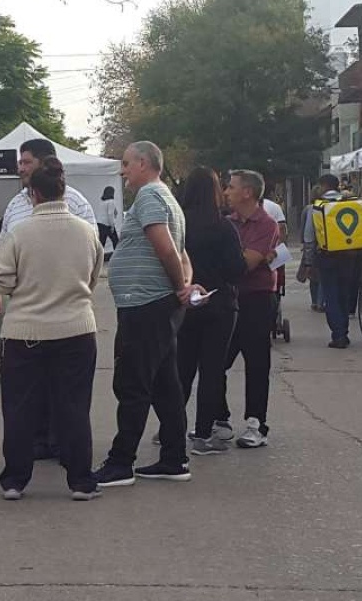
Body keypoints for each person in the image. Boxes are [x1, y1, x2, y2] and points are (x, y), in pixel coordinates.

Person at [0, 156, 104, 501]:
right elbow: (94, 275)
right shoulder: (86, 231)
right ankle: (81, 480)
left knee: (20, 407)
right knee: (73, 406)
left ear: (33, 194)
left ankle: (15, 480)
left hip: (25, 331)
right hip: (77, 328)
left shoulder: (20, 232)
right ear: (62, 191)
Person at [93, 141, 200, 487]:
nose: (122, 170)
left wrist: (179, 286)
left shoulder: (151, 197)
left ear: (143, 163)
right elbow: (183, 254)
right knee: (164, 384)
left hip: (145, 305)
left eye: (126, 163)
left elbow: (167, 248)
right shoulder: (167, 198)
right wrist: (184, 284)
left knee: (132, 383)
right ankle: (174, 457)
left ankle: (121, 462)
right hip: (153, 303)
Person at [176, 168, 246, 455]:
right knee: (212, 370)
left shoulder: (178, 225)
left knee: (182, 368)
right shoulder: (223, 227)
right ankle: (203, 435)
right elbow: (236, 270)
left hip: (185, 302)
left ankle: (171, 428)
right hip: (219, 304)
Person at [222, 170, 279, 448]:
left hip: (256, 298)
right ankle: (218, 418)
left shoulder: (266, 224)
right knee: (216, 361)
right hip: (229, 298)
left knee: (256, 363)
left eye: (231, 187)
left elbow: (245, 264)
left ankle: (256, 423)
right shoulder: (227, 222)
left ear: (247, 192)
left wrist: (225, 258)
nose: (226, 192)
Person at [305, 174, 362, 350]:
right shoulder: (351, 204)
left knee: (331, 295)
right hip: (349, 256)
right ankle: (344, 330)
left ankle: (339, 334)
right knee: (343, 293)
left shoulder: (317, 207)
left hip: (327, 256)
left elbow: (310, 238)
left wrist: (309, 263)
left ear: (323, 186)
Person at [0, 138, 96, 245]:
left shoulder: (76, 202)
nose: (20, 169)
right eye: (20, 163)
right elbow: (2, 247)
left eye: (26, 163)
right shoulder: (14, 204)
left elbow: (92, 249)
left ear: (45, 164)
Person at [299, 186, 325, 312]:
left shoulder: (307, 208)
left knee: (312, 276)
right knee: (321, 277)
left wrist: (303, 243)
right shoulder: (321, 208)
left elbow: (303, 227)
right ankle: (320, 303)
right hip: (320, 246)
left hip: (310, 246)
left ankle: (315, 301)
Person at [98, 185, 119, 261]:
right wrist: (112, 226)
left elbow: (112, 211)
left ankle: (98, 259)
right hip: (107, 225)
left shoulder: (103, 202)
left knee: (101, 243)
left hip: (100, 224)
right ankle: (117, 257)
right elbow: (110, 214)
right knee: (116, 241)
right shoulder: (111, 202)